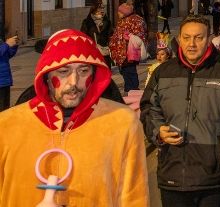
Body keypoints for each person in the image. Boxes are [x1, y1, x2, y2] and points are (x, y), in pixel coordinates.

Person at [0, 30, 148, 207]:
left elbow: (134, 198)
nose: (73, 82)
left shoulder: (122, 123)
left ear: (94, 74)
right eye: (63, 71)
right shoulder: (7, 126)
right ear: (46, 75)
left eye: (84, 70)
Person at [141, 15, 220, 207]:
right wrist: (157, 130)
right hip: (172, 171)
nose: (191, 44)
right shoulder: (163, 71)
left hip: (211, 175)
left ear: (209, 38)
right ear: (178, 39)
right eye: (186, 37)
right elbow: (148, 108)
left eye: (198, 38)